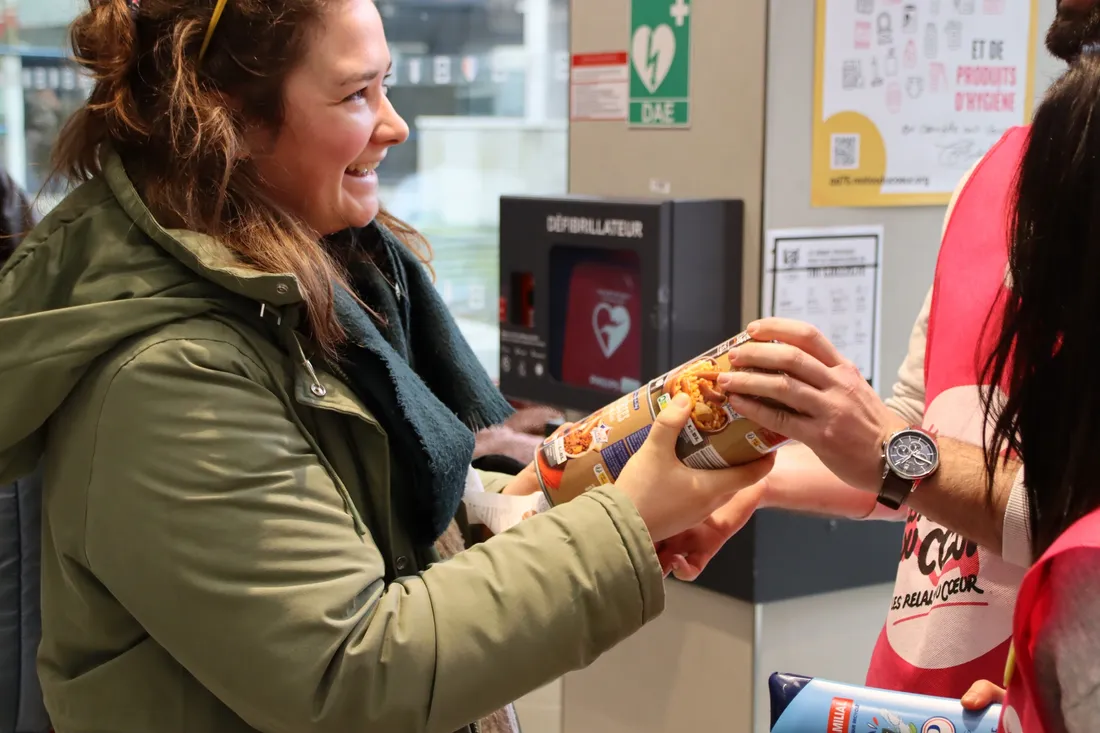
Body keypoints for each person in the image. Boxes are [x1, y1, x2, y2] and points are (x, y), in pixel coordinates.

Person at [0, 0, 772, 731]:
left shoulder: (319, 292)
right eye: (356, 94)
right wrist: (622, 525)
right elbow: (349, 671)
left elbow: (374, 531)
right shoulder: (169, 379)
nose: (395, 125)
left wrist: (554, 500)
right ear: (227, 117)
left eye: (387, 85)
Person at [655, 0, 1099, 704]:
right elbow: (914, 446)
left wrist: (893, 450)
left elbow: (913, 458)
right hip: (914, 699)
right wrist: (746, 481)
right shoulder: (993, 178)